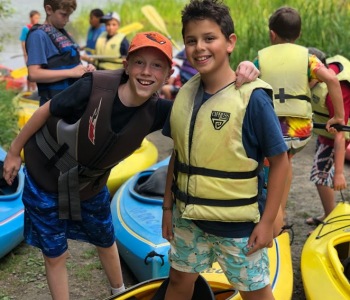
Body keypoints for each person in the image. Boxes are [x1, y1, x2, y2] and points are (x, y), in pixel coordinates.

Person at [3, 29, 258, 299]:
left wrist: (243, 72)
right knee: (56, 253)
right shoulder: (93, 86)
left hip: (90, 185)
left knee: (104, 236)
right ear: (126, 65)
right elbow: (45, 110)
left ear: (167, 74)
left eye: (157, 65)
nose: (147, 72)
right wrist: (13, 153)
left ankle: (119, 291)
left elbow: (206, 104)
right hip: (46, 177)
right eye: (139, 62)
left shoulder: (160, 112)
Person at [161, 1, 289, 299]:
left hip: (238, 228)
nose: (199, 48)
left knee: (256, 293)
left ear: (230, 42)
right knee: (179, 283)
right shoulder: (186, 93)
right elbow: (178, 157)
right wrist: (167, 208)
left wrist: (268, 221)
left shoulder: (252, 98)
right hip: (188, 220)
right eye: (191, 41)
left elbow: (281, 163)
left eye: (209, 38)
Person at [253, 6, 345, 236]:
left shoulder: (261, 58)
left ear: (272, 34)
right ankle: (280, 213)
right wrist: (339, 117)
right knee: (285, 161)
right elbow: (333, 80)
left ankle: (274, 221)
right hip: (300, 132)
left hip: (272, 130)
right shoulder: (309, 58)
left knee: (269, 169)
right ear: (299, 35)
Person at [306, 48, 350, 227]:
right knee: (321, 176)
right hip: (325, 134)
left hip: (338, 136)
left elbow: (340, 134)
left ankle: (331, 221)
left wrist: (339, 173)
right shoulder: (319, 77)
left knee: (320, 175)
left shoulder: (332, 92)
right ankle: (328, 214)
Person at [26, 0, 95, 106]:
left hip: (72, 101)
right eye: (64, 15)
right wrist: (72, 72)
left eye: (69, 15)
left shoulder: (64, 33)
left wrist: (86, 69)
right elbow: (33, 74)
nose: (67, 20)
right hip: (53, 105)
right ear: (49, 10)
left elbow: (74, 64)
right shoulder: (38, 36)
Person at [19, 10, 41, 92]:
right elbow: (23, 42)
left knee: (37, 72)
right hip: (29, 53)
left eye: (38, 18)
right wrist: (25, 54)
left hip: (37, 53)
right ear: (30, 18)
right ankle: (28, 89)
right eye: (35, 18)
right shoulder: (26, 28)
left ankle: (35, 90)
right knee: (30, 72)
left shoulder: (39, 28)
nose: (37, 20)